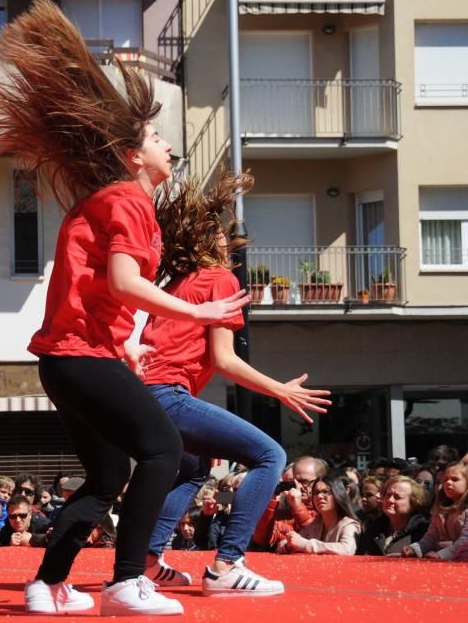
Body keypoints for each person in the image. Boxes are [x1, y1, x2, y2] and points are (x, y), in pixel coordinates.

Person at [0, 0, 248, 617]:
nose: (168, 146)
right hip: (75, 358)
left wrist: (128, 342)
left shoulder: (125, 203)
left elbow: (103, 292)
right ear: (133, 155)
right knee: (161, 449)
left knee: (106, 478)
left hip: (79, 357)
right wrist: (199, 316)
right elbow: (125, 283)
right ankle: (128, 581)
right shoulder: (127, 199)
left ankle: (47, 585)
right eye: (156, 138)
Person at [138, 172, 329, 595]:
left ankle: (149, 560)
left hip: (145, 396)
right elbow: (225, 359)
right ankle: (226, 565)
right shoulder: (220, 279)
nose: (229, 239)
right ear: (212, 243)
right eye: (222, 234)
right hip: (167, 394)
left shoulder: (175, 283)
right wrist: (281, 389)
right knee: (269, 454)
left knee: (193, 467)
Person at [403, 461, 468, 560]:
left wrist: (441, 555)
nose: (448, 483)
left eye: (455, 479)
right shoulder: (441, 510)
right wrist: (414, 549)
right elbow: (431, 537)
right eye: (445, 479)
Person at [279, 475, 360, 556]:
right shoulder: (315, 524)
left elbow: (347, 550)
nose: (319, 496)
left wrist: (306, 545)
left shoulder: (350, 525)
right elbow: (284, 545)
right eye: (316, 493)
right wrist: (289, 545)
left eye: (326, 492)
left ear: (338, 495)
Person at [358, 476, 429, 556]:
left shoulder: (423, 531)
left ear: (414, 503)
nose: (390, 500)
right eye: (388, 495)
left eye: (397, 497)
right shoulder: (373, 527)